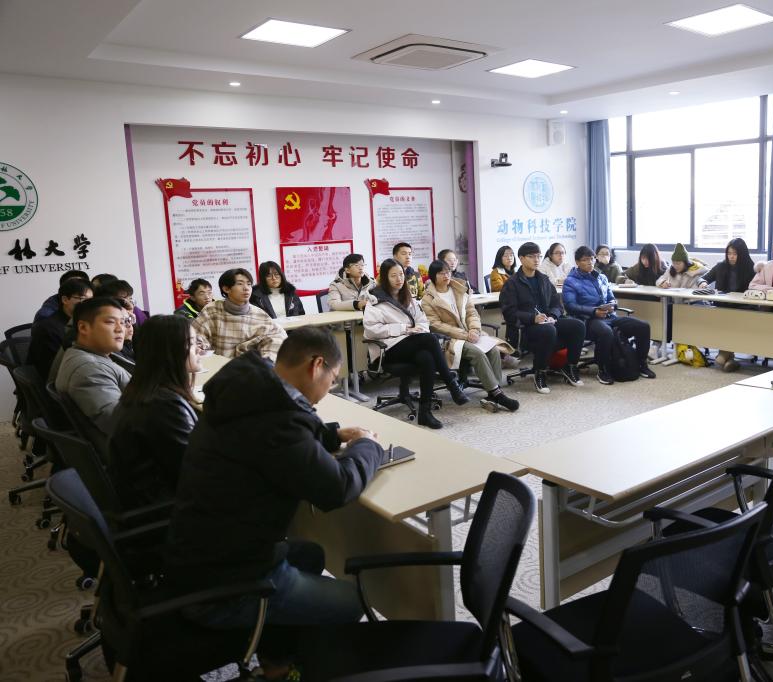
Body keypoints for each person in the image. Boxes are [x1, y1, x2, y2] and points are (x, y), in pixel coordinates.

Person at [163, 328, 385, 648]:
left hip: (198, 558)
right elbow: (337, 489)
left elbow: (273, 442)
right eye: (333, 378)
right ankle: (288, 651)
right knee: (352, 601)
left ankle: (278, 658)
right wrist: (368, 446)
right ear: (316, 365)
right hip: (227, 584)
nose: (329, 388)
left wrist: (332, 436)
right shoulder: (278, 419)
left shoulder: (250, 391)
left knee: (311, 554)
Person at [363, 258, 469, 429]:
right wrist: (404, 329)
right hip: (389, 349)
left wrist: (417, 330)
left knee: (426, 357)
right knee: (430, 339)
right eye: (393, 276)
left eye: (401, 274)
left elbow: (423, 320)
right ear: (385, 278)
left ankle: (425, 413)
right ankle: (452, 385)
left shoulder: (408, 297)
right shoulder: (375, 300)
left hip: (412, 343)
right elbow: (372, 330)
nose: (399, 279)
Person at [108, 315, 200, 509]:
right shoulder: (165, 406)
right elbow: (196, 471)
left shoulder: (143, 391)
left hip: (148, 495)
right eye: (192, 343)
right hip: (167, 507)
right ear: (171, 352)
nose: (199, 349)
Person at [421, 260, 518, 413]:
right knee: (477, 353)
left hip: (470, 333)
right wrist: (465, 335)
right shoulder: (428, 300)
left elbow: (472, 313)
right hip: (450, 339)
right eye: (441, 273)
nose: (446, 275)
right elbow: (436, 325)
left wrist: (474, 329)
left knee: (493, 350)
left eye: (448, 272)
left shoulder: (459, 290)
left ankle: (494, 393)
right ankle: (497, 394)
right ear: (433, 276)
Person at [499, 241, 586, 394]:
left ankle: (570, 366)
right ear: (521, 258)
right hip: (526, 328)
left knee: (578, 325)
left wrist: (552, 315)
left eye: (539, 256)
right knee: (549, 331)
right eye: (532, 256)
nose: (536, 260)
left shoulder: (544, 279)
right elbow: (509, 313)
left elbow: (557, 304)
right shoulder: (512, 283)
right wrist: (533, 318)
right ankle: (540, 372)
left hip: (547, 323)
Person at [562, 246, 656, 385]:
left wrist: (612, 305)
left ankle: (641, 364)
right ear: (577, 262)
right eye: (585, 260)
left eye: (592, 259)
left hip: (609, 316)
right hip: (588, 320)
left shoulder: (601, 277)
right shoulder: (571, 281)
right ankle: (603, 369)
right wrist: (594, 311)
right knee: (606, 332)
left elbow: (612, 298)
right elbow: (570, 306)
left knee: (643, 326)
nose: (590, 262)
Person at [54, 296, 131, 440]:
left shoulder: (89, 355)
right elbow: (119, 424)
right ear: (83, 327)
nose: (120, 329)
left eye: (122, 322)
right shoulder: (89, 370)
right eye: (110, 322)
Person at [192, 268, 287, 360]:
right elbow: (195, 337)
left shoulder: (259, 315)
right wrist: (202, 351)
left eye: (249, 284)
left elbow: (277, 337)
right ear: (226, 288)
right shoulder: (212, 310)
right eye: (240, 284)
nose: (246, 288)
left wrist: (264, 360)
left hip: (251, 366)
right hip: (218, 366)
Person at [703, 238, 756, 372]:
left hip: (743, 309)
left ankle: (724, 354)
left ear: (742, 254)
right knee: (722, 318)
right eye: (729, 253)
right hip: (723, 308)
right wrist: (702, 283)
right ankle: (729, 357)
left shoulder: (750, 268)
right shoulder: (721, 266)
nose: (731, 257)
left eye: (735, 254)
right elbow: (703, 278)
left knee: (730, 321)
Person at [28, 278, 92, 379]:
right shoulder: (48, 328)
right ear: (65, 300)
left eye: (91, 300)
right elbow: (54, 367)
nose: (88, 304)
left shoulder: (81, 322)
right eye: (82, 299)